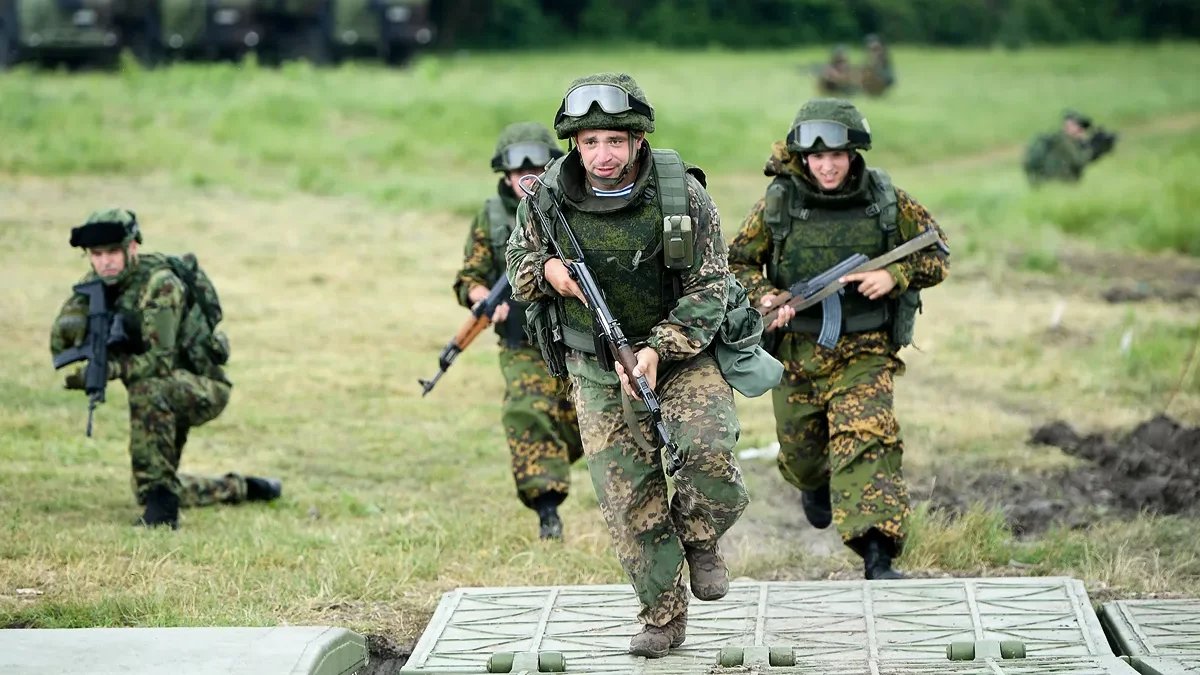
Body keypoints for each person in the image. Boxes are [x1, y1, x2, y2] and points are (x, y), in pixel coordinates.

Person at [506, 73, 749, 658]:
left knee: (708, 454)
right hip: (595, 364)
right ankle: (662, 617)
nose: (602, 155)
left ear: (638, 140)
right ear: (574, 145)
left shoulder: (681, 196)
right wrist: (549, 274)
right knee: (628, 499)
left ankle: (700, 538)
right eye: (589, 143)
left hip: (680, 355)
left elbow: (711, 286)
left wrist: (656, 349)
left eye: (615, 140)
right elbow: (518, 265)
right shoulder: (545, 201)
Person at [728, 98, 950, 581]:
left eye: (838, 155)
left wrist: (896, 274)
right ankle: (814, 484)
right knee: (804, 456)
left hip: (866, 349)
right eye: (817, 157)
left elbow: (937, 254)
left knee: (868, 438)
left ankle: (878, 552)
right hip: (796, 354)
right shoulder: (778, 204)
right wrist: (767, 298)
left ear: (854, 154)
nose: (828, 166)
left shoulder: (887, 199)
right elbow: (737, 263)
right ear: (802, 157)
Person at [50, 209, 282, 530]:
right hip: (164, 389)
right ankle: (244, 487)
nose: (105, 262)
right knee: (147, 486)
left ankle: (163, 514)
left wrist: (110, 369)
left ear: (133, 248)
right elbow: (62, 338)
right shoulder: (97, 285)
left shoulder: (160, 286)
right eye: (97, 254)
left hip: (202, 387)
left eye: (113, 252)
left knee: (148, 390)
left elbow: (158, 363)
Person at [453, 121, 584, 541]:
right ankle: (547, 508)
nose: (525, 181)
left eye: (538, 170)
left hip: (578, 337)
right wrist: (480, 299)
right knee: (526, 411)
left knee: (579, 419)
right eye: (515, 174)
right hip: (522, 341)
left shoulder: (578, 208)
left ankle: (562, 461)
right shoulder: (491, 218)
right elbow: (470, 275)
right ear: (504, 176)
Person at [1023, 110, 1118, 186]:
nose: (1081, 131)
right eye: (1079, 127)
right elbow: (1079, 160)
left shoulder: (1068, 141)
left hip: (1057, 183)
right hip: (1058, 183)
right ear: (1069, 125)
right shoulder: (1063, 140)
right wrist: (1095, 148)